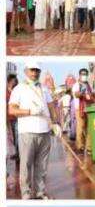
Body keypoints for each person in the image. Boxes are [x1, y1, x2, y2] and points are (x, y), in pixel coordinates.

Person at [8, 62, 59, 199]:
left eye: (37, 70)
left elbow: (51, 107)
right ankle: (26, 193)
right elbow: (12, 110)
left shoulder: (44, 88)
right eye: (32, 70)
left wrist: (55, 123)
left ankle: (40, 192)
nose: (35, 73)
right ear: (25, 71)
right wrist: (29, 111)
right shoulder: (19, 89)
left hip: (44, 131)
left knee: (42, 165)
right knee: (25, 165)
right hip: (27, 132)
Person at [72, 68, 95, 154]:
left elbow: (93, 93)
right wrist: (84, 95)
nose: (84, 75)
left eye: (85, 74)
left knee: (89, 128)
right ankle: (80, 146)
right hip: (80, 109)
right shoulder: (76, 85)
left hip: (89, 108)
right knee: (81, 127)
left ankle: (89, 148)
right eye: (82, 74)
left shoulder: (89, 85)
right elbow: (76, 94)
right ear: (80, 75)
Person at [7, 74, 19, 160]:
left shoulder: (16, 91)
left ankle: (17, 153)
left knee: (16, 136)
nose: (15, 82)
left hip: (16, 117)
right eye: (14, 80)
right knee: (9, 137)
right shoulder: (5, 92)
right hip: (7, 118)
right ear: (10, 81)